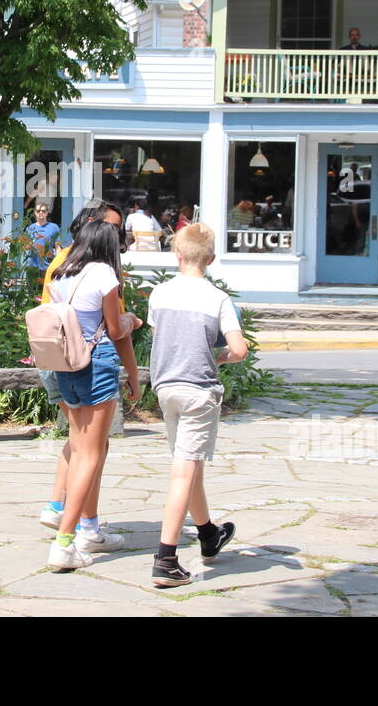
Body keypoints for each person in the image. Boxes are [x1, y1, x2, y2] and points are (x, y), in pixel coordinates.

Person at [148, 223, 249, 586]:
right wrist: (219, 357)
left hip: (166, 388)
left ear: (177, 254)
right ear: (211, 258)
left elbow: (162, 335)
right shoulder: (217, 298)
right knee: (183, 474)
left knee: (190, 468)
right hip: (198, 391)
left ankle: (208, 533)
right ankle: (166, 559)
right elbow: (239, 349)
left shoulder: (159, 293)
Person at [37, 201, 140, 543]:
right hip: (95, 364)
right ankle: (72, 535)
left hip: (63, 364)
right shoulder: (102, 273)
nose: (120, 237)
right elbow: (115, 329)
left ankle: (76, 521)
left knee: (81, 448)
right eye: (115, 231)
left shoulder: (63, 268)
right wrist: (132, 322)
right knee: (92, 454)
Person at [24, 204, 60, 272]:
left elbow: (58, 247)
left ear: (47, 213)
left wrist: (57, 263)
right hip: (33, 266)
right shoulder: (30, 228)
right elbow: (25, 247)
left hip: (48, 266)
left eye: (43, 211)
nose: (41, 213)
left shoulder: (54, 227)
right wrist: (29, 245)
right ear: (35, 212)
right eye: (38, 211)